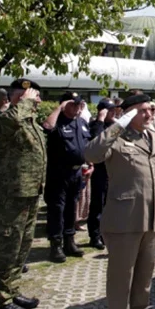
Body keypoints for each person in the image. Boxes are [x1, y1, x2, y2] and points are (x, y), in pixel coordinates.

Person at [84, 94, 155, 309]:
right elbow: (92, 153)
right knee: (121, 280)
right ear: (129, 112)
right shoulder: (117, 137)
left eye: (152, 109)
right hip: (125, 221)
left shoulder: (153, 136)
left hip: (152, 220)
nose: (150, 114)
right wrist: (117, 125)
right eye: (143, 110)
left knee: (144, 278)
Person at [0, 79, 46, 309]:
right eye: (32, 96)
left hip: (30, 193)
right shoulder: (3, 119)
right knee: (5, 249)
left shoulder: (32, 123)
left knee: (21, 248)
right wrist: (24, 102)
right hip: (10, 197)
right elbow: (10, 122)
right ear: (16, 98)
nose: (37, 101)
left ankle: (11, 291)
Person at [43, 92, 91, 263]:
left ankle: (69, 241)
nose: (76, 107)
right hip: (58, 173)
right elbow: (47, 127)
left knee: (72, 207)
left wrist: (90, 164)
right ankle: (55, 244)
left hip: (77, 173)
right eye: (72, 104)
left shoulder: (82, 122)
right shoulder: (57, 122)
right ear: (64, 105)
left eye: (78, 104)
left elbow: (88, 145)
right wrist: (59, 109)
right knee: (57, 209)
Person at [87, 98, 116, 250]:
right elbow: (96, 141)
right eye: (109, 110)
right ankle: (95, 235)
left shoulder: (115, 125)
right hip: (100, 170)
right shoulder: (95, 125)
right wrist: (100, 120)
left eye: (114, 110)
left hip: (114, 169)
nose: (113, 112)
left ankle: (107, 232)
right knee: (98, 202)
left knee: (110, 204)